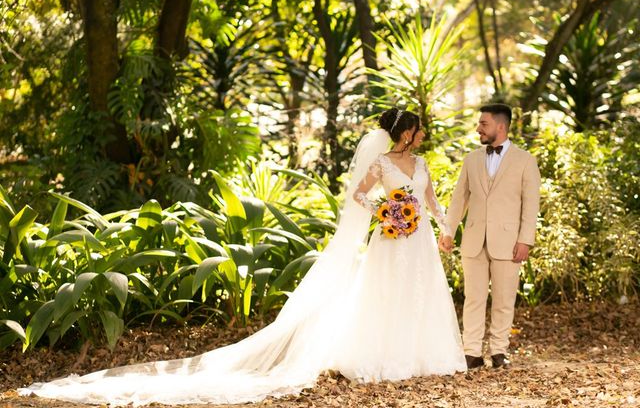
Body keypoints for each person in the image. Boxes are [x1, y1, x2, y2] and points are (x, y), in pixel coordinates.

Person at [20, 108, 465, 406]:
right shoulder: (381, 164)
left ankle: (426, 356)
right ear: (406, 132)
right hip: (390, 239)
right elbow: (357, 195)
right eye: (419, 129)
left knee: (422, 295)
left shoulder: (421, 164)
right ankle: (388, 356)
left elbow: (432, 201)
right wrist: (385, 212)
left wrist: (444, 228)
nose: (422, 134)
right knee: (388, 296)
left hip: (419, 240)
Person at [440, 103, 541, 369]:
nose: (478, 129)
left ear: (500, 126)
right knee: (473, 298)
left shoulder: (525, 161)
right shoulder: (471, 159)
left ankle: (499, 351)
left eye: (483, 124)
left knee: (504, 299)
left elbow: (531, 205)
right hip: (474, 240)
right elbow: (459, 198)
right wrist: (448, 230)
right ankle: (471, 352)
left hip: (509, 242)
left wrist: (525, 240)